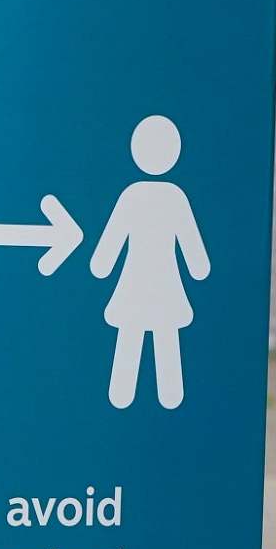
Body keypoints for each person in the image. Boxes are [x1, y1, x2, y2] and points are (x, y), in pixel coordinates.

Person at [90, 115, 210, 411]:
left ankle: (122, 394)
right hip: (166, 285)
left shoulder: (132, 196)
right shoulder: (175, 197)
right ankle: (170, 396)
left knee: (130, 334)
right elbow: (193, 250)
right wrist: (198, 267)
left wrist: (102, 265)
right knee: (165, 334)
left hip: (133, 283)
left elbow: (109, 245)